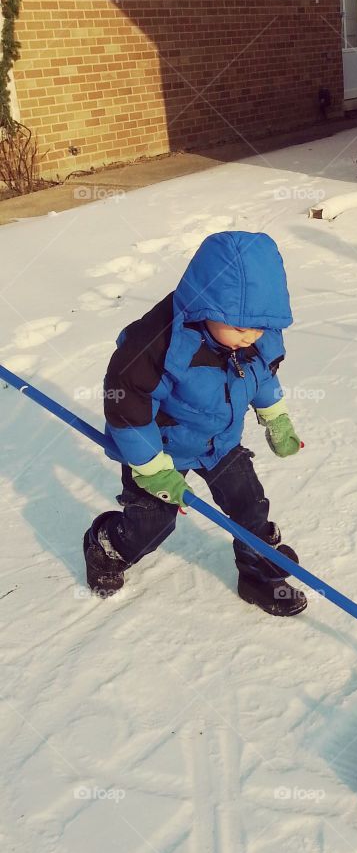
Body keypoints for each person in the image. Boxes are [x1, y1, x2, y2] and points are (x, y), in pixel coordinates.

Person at [83, 230, 307, 616]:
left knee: (250, 507)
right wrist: (153, 470)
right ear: (207, 306)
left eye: (259, 327)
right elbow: (127, 409)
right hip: (160, 447)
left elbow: (262, 376)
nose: (251, 336)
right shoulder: (156, 344)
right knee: (152, 527)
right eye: (240, 327)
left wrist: (276, 417)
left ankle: (257, 575)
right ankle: (107, 546)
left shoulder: (255, 334)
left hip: (220, 443)